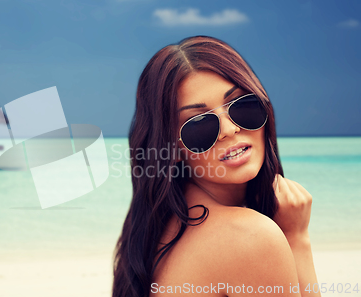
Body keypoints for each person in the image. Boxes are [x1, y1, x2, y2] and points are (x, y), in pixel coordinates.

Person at [112, 36, 320, 297]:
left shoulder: (155, 229)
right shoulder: (250, 237)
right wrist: (297, 238)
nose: (230, 129)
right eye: (198, 124)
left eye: (242, 106)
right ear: (172, 148)